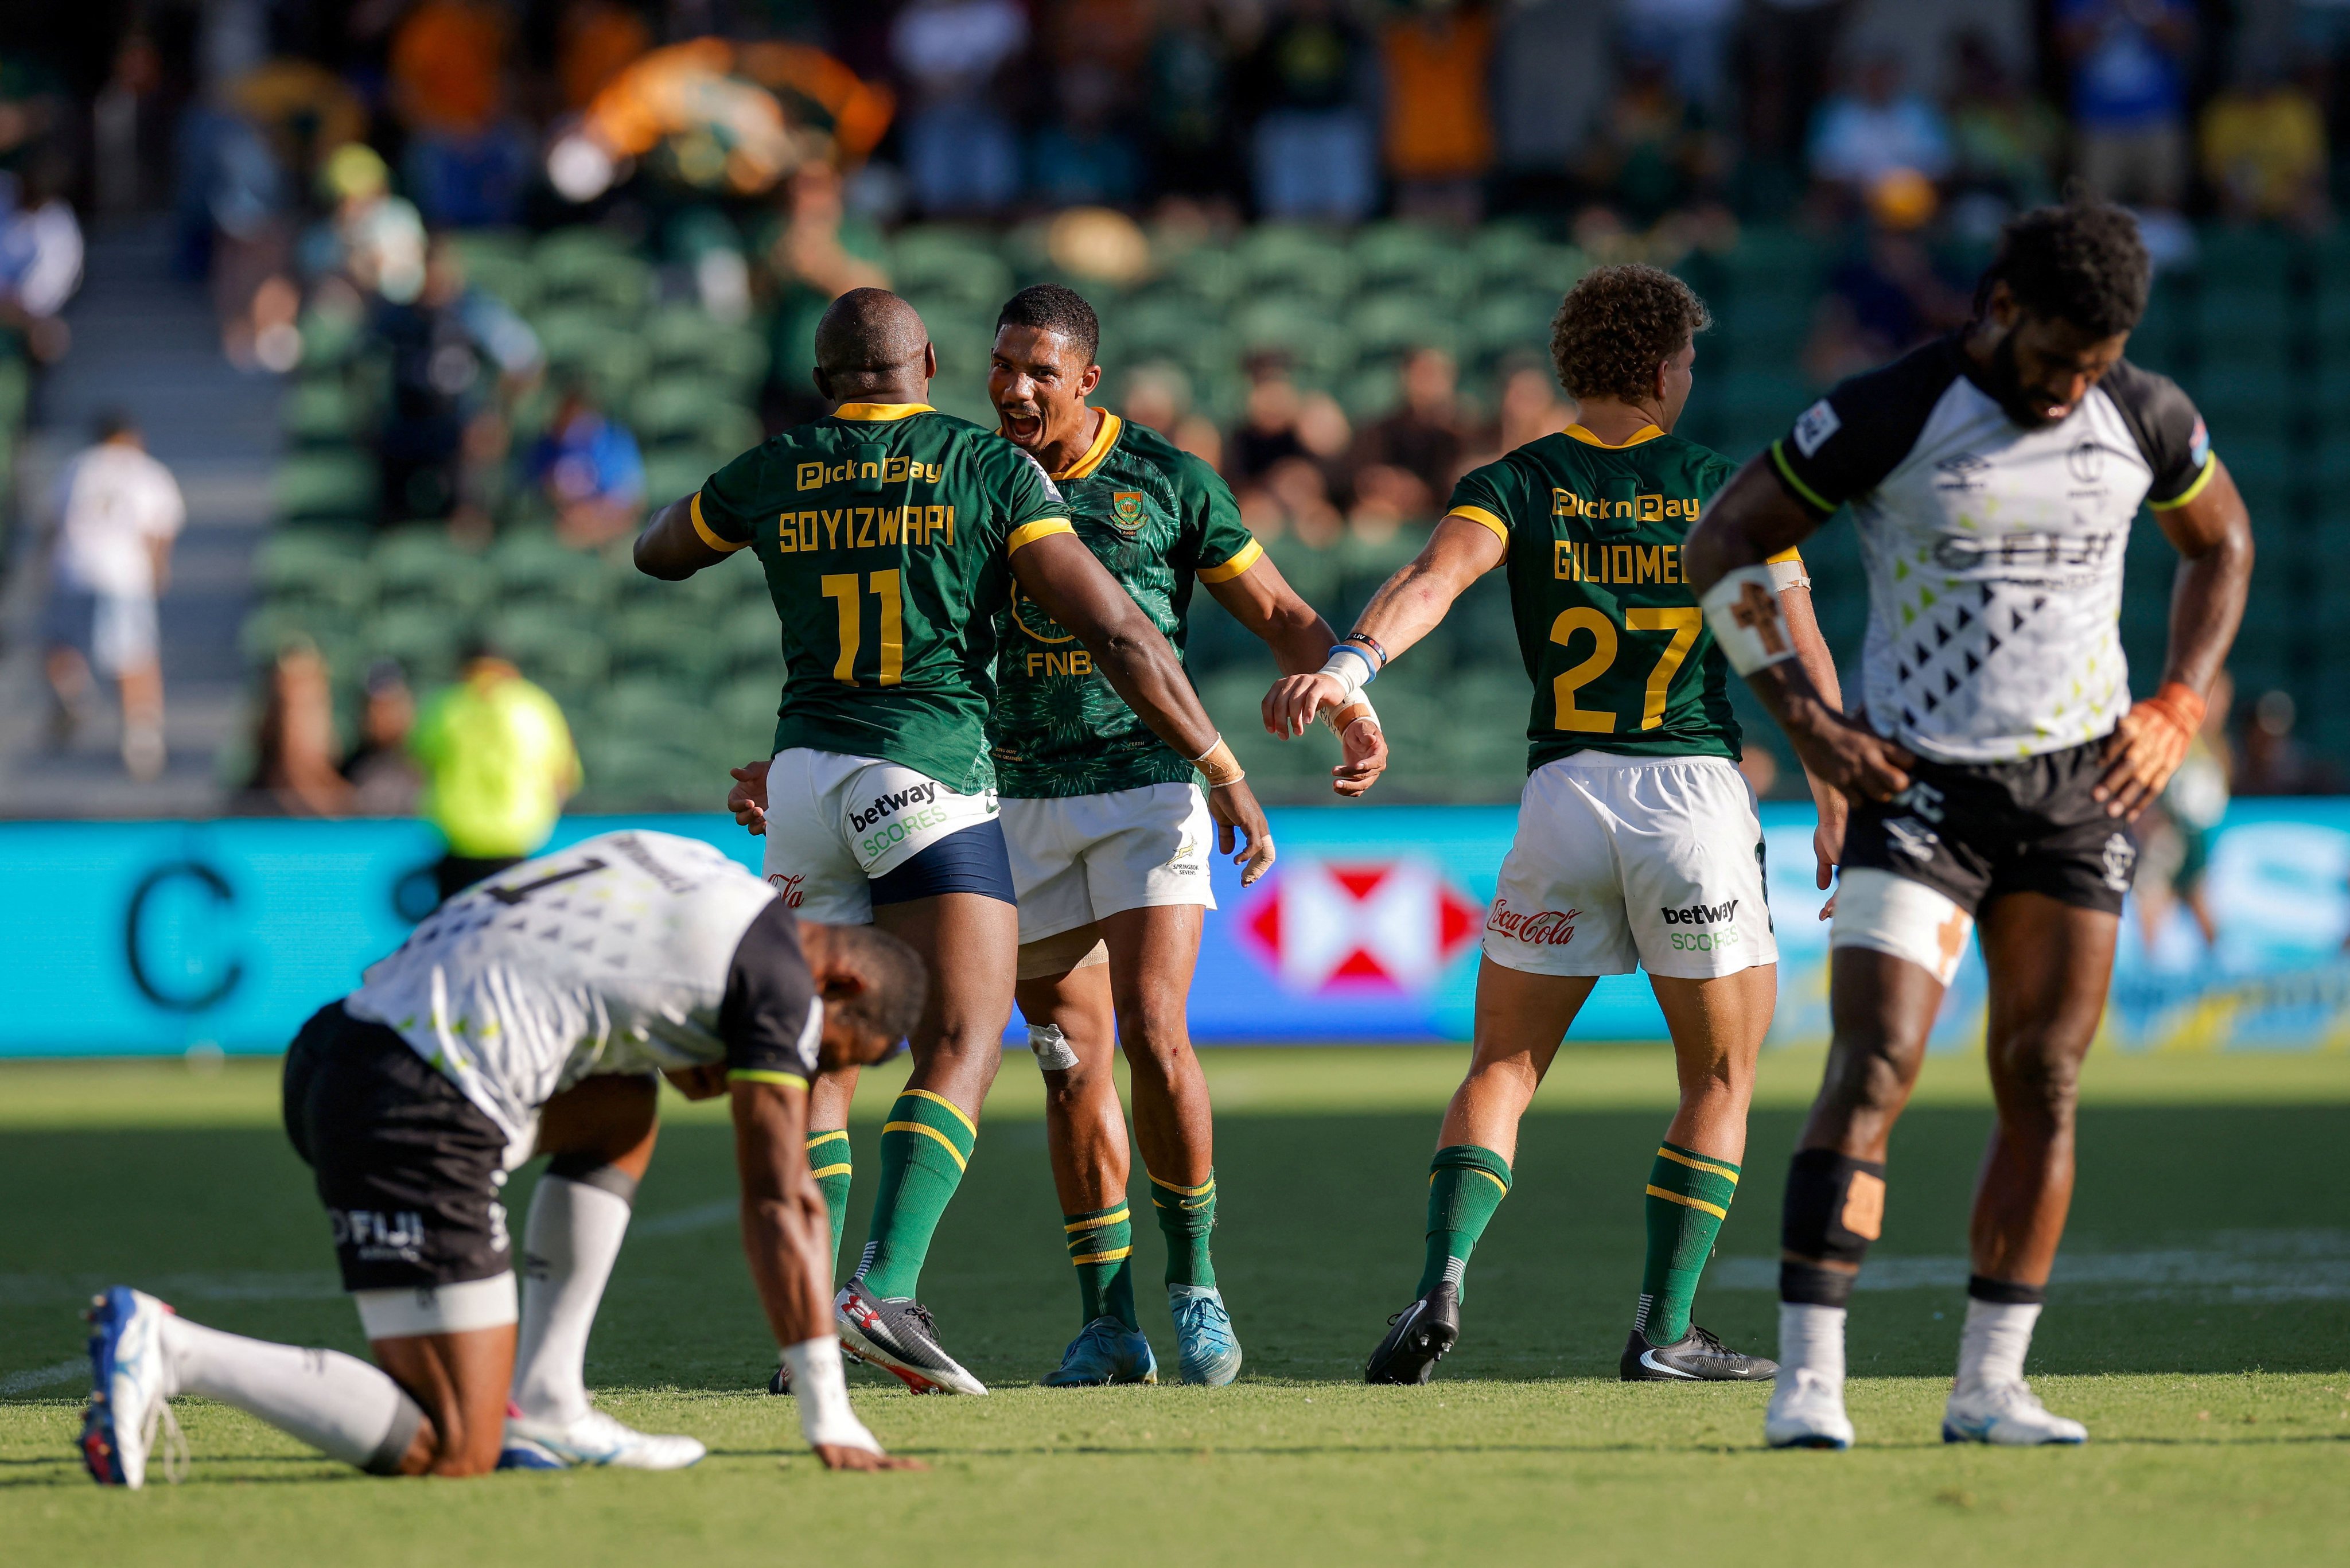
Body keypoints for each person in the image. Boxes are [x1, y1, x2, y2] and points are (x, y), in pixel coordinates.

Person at [1682, 196, 2252, 1448]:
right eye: (2055, 355)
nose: (2067, 386)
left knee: (2042, 1079)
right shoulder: (1893, 408)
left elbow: (2220, 545)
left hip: (2076, 795)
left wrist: (2178, 697)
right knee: (1874, 1061)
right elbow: (1722, 541)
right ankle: (1809, 1382)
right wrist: (1808, 720)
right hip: (1919, 790)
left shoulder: (2142, 414)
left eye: (2093, 364)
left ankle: (1988, 1385)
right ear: (2000, 307)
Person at [635, 288, 1274, 1398]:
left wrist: (774, 495)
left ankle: (811, 1328)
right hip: (926, 773)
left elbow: (659, 551)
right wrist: (1221, 764)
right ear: (931, 360)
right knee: (969, 1036)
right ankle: (885, 1284)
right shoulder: (983, 467)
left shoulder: (776, 462)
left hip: (800, 782)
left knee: (827, 1053)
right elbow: (1119, 628)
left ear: (825, 375)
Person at [1264, 264, 1842, 1386]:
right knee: (1716, 1078)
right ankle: (1662, 1328)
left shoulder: (1515, 479)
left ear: (1573, 370)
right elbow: (1792, 646)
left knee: (1503, 1063)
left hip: (1561, 796)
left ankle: (1437, 1282)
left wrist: (1350, 662)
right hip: (1688, 798)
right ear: (1669, 368)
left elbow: (1432, 577)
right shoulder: (1727, 489)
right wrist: (1834, 789)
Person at [80, 830, 928, 1488]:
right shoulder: (781, 984)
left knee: (623, 1111)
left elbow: (653, 1035)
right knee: (451, 1442)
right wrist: (829, 1412)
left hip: (341, 1042)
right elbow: (781, 1199)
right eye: (832, 1054)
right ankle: (170, 1348)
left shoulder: (699, 869)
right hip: (411, 1102)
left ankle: (552, 1402)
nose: (810, 1070)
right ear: (841, 984)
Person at [43, 410, 185, 783]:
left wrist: (42, 568)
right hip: (124, 576)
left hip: (73, 571)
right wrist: (158, 569)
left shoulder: (76, 468)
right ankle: (143, 736)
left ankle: (75, 691)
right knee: (134, 655)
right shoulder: (146, 470)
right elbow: (159, 527)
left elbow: (53, 524)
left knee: (62, 645)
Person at [409, 642, 582, 902]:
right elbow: (564, 775)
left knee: (457, 931)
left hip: (459, 838)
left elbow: (418, 763)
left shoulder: (446, 705)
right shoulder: (535, 705)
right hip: (518, 840)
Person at [528, 383, 647, 548]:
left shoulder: (614, 444)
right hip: (566, 528)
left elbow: (629, 505)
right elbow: (544, 489)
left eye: (579, 415)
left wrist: (592, 517)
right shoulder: (550, 446)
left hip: (606, 530)